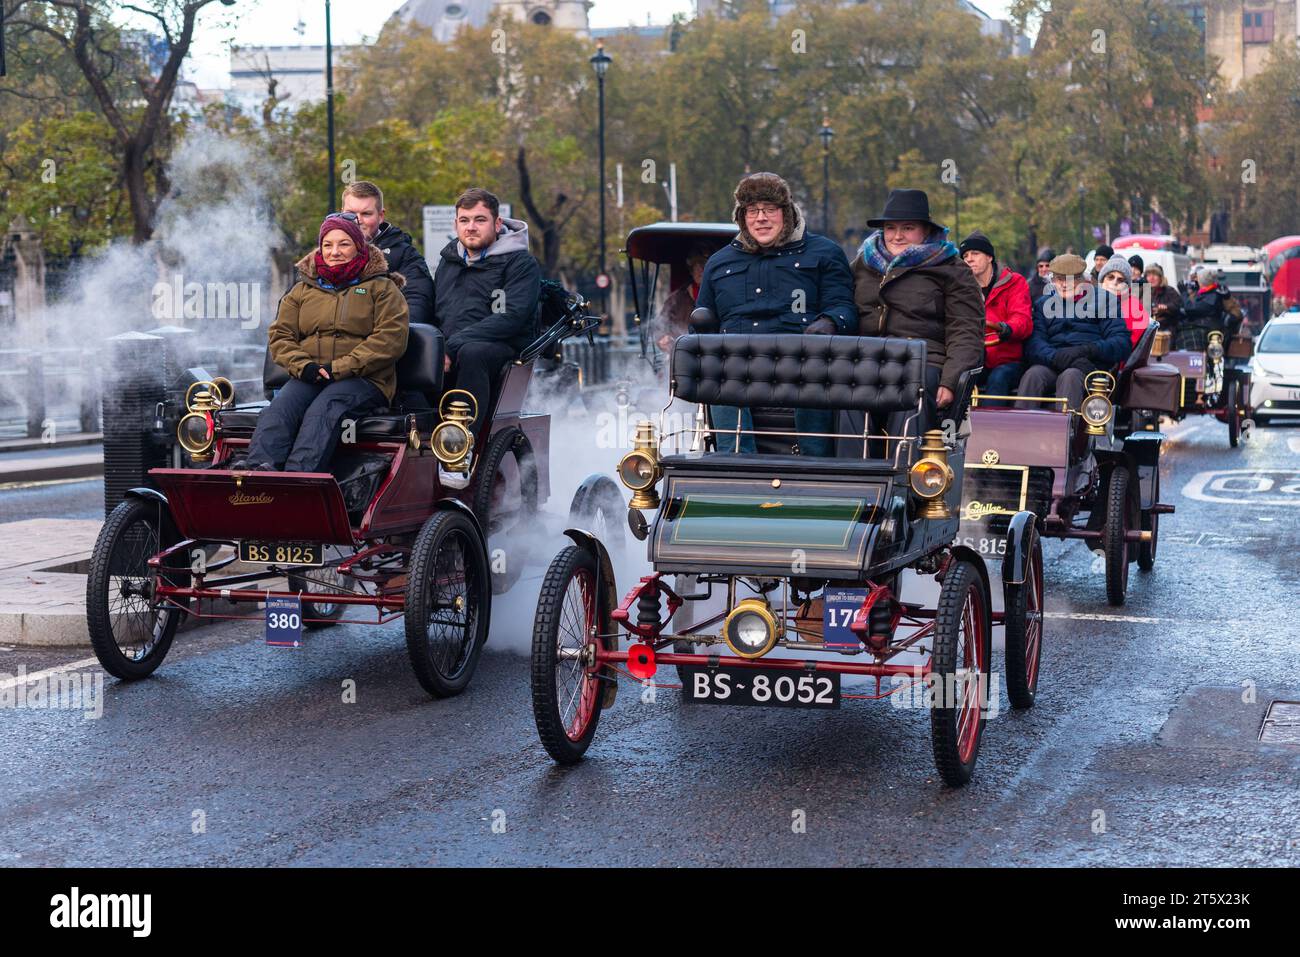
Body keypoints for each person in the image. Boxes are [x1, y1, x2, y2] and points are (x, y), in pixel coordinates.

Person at [692, 171, 855, 456]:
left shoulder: (825, 253)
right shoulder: (719, 263)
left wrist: (829, 322)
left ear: (787, 213)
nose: (761, 218)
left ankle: (814, 468)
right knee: (716, 369)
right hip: (734, 365)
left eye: (770, 209)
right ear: (741, 216)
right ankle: (735, 466)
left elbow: (844, 308)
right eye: (752, 211)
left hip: (803, 361)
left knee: (813, 371)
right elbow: (702, 321)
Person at [244, 213, 409, 471]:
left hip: (365, 379)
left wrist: (338, 368)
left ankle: (299, 481)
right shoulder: (301, 290)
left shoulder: (383, 289)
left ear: (358, 247)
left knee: (324, 409)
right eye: (328, 245)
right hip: (311, 374)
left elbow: (389, 340)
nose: (335, 252)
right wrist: (304, 367)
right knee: (280, 409)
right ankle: (256, 475)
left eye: (344, 244)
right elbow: (280, 336)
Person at [845, 188, 984, 446]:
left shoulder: (952, 269)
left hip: (923, 359)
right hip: (867, 356)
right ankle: (854, 477)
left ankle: (904, 477)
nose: (897, 236)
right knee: (846, 389)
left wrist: (951, 381)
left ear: (925, 231)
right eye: (890, 228)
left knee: (913, 388)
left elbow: (965, 330)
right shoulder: (862, 263)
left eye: (907, 228)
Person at [431, 187, 541, 452]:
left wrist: (451, 346)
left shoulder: (520, 263)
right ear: (455, 224)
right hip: (452, 347)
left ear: (497, 223)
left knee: (472, 352)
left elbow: (510, 317)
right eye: (464, 220)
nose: (471, 227)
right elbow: (435, 312)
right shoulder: (448, 262)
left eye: (480, 220)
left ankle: (461, 446)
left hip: (501, 346)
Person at [1016, 253, 1130, 413]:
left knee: (1070, 377)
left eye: (1071, 279)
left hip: (1087, 365)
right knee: (1033, 375)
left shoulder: (1105, 301)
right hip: (1052, 362)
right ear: (1052, 280)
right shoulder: (1043, 305)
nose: (1064, 284)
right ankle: (1020, 429)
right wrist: (1055, 357)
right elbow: (1034, 344)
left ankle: (1067, 435)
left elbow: (1121, 343)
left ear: (1083, 280)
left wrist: (1087, 350)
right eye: (1059, 279)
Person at [341, 181, 434, 326]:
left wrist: (391, 334)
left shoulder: (405, 255)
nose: (358, 220)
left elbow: (418, 300)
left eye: (366, 213)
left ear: (381, 215)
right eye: (350, 214)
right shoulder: (327, 253)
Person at [960, 229, 1031, 404]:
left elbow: (1022, 319)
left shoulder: (1015, 282)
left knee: (998, 378)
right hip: (973, 357)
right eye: (965, 255)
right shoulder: (961, 288)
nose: (969, 258)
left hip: (1007, 359)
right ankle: (951, 427)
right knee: (955, 378)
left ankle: (991, 430)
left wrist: (1007, 328)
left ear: (989, 257)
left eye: (975, 253)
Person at [654, 243, 712, 354]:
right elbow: (660, 325)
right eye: (696, 265)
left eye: (704, 265)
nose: (700, 270)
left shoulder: (721, 296)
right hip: (681, 355)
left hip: (712, 355)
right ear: (691, 270)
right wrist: (662, 338)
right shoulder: (677, 298)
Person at [1097, 255, 1149, 347]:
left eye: (1120, 280)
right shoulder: (1092, 300)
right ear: (1102, 280)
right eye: (1110, 277)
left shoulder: (1134, 308)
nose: (1115, 282)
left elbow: (1125, 347)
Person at [1178, 264, 1232, 350]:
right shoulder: (1205, 292)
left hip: (1206, 329)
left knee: (1183, 335)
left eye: (1197, 278)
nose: (1196, 281)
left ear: (1203, 281)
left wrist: (1184, 293)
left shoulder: (1212, 295)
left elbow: (1191, 308)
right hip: (1203, 326)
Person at [1146, 264, 1183, 336]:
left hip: (1167, 331)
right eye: (1149, 275)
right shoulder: (1145, 292)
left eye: (1155, 275)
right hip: (1150, 331)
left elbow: (1178, 305)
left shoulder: (1169, 291)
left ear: (1160, 277)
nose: (1151, 278)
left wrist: (1166, 307)